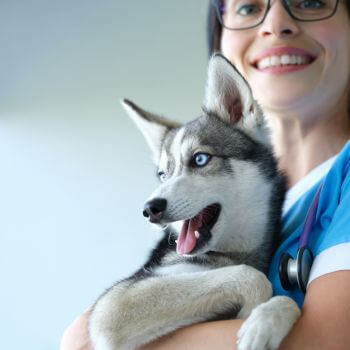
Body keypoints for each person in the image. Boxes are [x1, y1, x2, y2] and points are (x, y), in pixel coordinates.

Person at [60, 0, 350, 348]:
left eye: (310, 1)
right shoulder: (242, 222)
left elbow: (324, 341)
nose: (276, 23)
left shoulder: (336, 183)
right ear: (220, 38)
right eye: (248, 8)